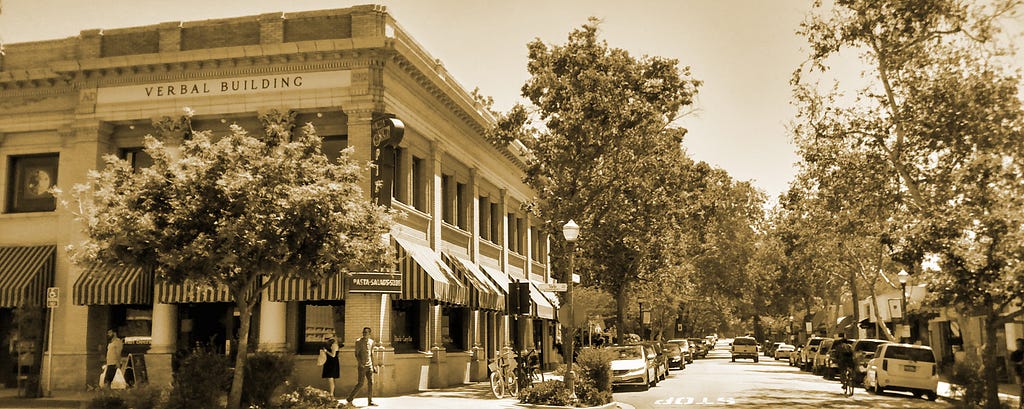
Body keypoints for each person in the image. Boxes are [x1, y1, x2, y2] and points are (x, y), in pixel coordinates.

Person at [346, 327, 376, 407]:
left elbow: (372, 354)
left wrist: (373, 366)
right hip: (362, 366)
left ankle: (370, 401)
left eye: (366, 332)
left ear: (369, 334)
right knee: (360, 383)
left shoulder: (372, 342)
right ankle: (350, 399)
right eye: (363, 332)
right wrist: (360, 363)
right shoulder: (358, 342)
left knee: (371, 383)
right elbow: (356, 354)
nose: (364, 334)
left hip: (369, 366)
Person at [1010, 338, 1024, 409]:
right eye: (1017, 344)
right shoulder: (1014, 353)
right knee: (1022, 388)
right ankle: (1021, 404)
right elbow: (1012, 363)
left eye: (1019, 344)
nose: (1018, 345)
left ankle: (1021, 404)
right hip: (1019, 373)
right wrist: (1019, 363)